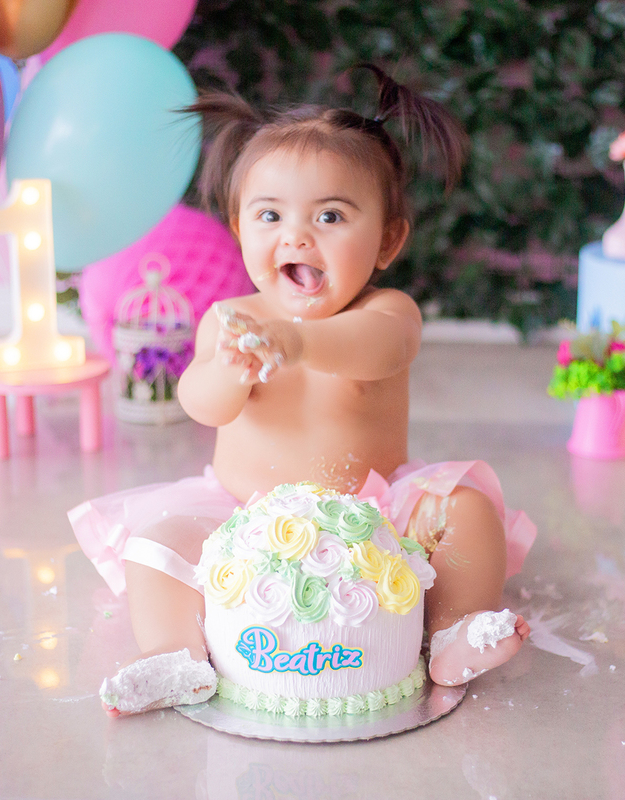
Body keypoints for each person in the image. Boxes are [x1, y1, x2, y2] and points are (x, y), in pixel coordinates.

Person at [71, 65, 536, 717]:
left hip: (376, 512)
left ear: (387, 240)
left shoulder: (387, 312)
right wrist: (232, 371)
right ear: (240, 230)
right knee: (155, 541)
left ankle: (452, 631)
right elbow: (199, 401)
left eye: (331, 215)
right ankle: (175, 656)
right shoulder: (230, 319)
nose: (297, 235)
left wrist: (299, 343)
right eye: (271, 214)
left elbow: (380, 352)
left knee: (467, 509)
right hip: (241, 512)